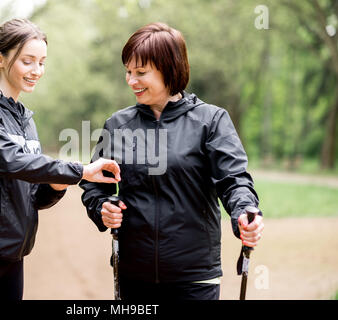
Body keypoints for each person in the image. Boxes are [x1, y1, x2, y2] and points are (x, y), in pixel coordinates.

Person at [80, 22, 264, 300]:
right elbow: (95, 185)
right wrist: (102, 207)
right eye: (128, 72)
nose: (131, 80)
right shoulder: (117, 125)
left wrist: (244, 211)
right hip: (133, 275)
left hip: (194, 279)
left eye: (141, 72)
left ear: (170, 69)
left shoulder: (211, 121)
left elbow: (233, 180)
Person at [0, 18, 120, 300]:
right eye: (28, 61)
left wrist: (57, 185)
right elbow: (10, 161)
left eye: (42, 62)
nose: (37, 70)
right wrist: (80, 170)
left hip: (13, 256)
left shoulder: (24, 118)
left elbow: (33, 196)